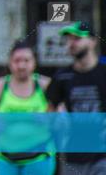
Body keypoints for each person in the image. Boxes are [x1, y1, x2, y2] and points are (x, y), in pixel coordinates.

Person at [0, 40, 54, 175]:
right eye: (17, 61)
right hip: (5, 159)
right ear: (10, 63)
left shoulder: (45, 85)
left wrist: (48, 119)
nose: (21, 65)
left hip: (39, 157)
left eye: (26, 60)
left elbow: (61, 117)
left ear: (34, 62)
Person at [45, 21, 106, 174]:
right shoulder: (62, 76)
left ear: (93, 41)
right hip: (73, 154)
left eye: (77, 38)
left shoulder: (103, 72)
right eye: (69, 40)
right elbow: (49, 110)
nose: (71, 43)